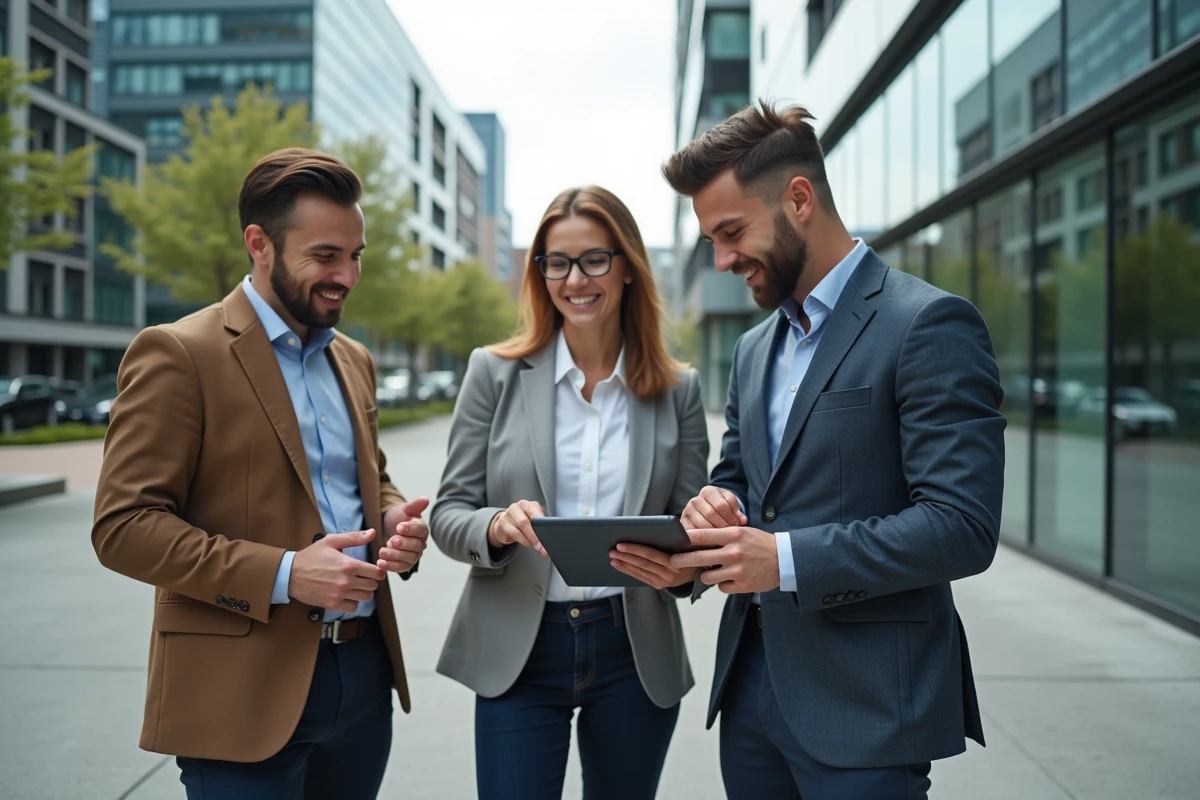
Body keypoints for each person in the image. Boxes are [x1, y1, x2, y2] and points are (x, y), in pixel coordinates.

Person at [616, 101, 1006, 799]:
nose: (723, 260)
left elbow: (961, 527)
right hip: (751, 694)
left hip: (868, 708)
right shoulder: (752, 349)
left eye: (732, 232)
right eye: (711, 240)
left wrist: (785, 559)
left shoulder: (928, 324)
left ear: (799, 199)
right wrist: (708, 519)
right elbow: (740, 484)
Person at [91, 147, 430, 799]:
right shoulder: (179, 353)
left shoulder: (354, 359)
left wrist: (390, 520)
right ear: (259, 244)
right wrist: (285, 573)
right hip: (236, 689)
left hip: (362, 678)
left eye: (355, 256)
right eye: (325, 256)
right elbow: (123, 527)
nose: (346, 276)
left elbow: (371, 478)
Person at [429, 186, 709, 800]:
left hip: (633, 650)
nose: (575, 279)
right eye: (557, 263)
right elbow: (447, 514)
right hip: (518, 651)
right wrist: (495, 526)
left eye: (593, 260)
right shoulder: (492, 372)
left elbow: (693, 534)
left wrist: (684, 570)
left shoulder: (678, 391)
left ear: (628, 267)